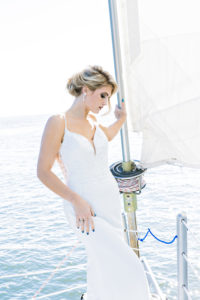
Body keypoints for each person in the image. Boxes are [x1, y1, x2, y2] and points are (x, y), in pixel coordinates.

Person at [37, 65, 150, 300]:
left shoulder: (95, 124)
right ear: (86, 90)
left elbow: (107, 135)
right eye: (103, 95)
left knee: (102, 264)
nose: (105, 103)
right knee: (130, 266)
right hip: (83, 208)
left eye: (107, 98)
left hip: (109, 205)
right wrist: (76, 200)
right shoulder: (58, 122)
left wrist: (122, 119)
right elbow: (43, 172)